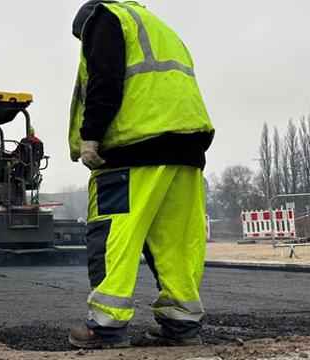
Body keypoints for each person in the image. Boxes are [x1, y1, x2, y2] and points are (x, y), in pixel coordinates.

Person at [67, 1, 215, 349]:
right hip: (186, 150)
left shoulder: (106, 18)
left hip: (132, 152)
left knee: (113, 234)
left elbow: (105, 78)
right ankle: (181, 324)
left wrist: (91, 136)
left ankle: (106, 326)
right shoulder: (160, 28)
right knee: (177, 242)